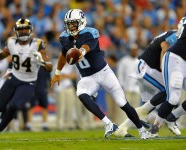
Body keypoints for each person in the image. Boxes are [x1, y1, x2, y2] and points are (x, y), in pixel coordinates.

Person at [51, 9, 149, 139]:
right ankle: (108, 124)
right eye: (69, 24)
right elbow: (64, 54)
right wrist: (57, 73)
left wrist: (81, 52)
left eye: (73, 23)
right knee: (81, 93)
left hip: (104, 73)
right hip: (88, 77)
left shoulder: (90, 33)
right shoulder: (64, 38)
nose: (71, 26)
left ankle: (142, 130)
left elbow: (87, 46)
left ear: (81, 22)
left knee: (122, 103)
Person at [0, 18, 53, 139]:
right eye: (20, 30)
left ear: (30, 30)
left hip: (28, 83)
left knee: (14, 105)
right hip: (14, 78)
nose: (23, 32)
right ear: (16, 31)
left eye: (25, 29)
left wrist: (42, 62)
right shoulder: (11, 42)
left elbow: (49, 67)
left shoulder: (37, 44)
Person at [115, 29, 181, 137]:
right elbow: (165, 47)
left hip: (150, 68)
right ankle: (165, 122)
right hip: (147, 67)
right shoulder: (176, 35)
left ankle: (122, 128)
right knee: (169, 91)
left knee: (146, 109)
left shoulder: (178, 36)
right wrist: (164, 67)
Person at [149, 17, 186, 137]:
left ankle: (171, 117)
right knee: (173, 98)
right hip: (175, 59)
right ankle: (154, 129)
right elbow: (165, 44)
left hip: (184, 62)